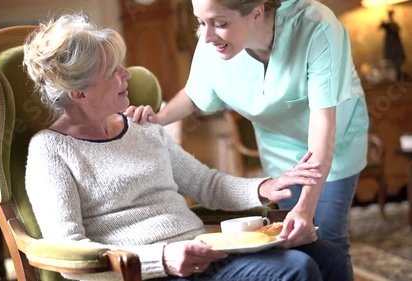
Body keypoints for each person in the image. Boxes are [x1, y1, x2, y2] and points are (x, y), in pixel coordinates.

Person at [23, 13, 350, 281]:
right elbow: (69, 252)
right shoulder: (49, 151)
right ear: (78, 94)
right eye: (112, 72)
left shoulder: (141, 128)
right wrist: (162, 258)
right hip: (147, 273)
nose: (127, 75)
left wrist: (266, 187)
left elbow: (207, 185)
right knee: (296, 270)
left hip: (203, 254)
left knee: (326, 255)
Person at [125, 0, 369, 279]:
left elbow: (323, 128)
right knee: (300, 242)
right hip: (280, 150)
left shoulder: (317, 27)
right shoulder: (213, 38)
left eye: (221, 24)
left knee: (327, 234)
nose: (206, 37)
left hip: (334, 144)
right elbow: (194, 94)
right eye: (200, 22)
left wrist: (305, 209)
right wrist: (156, 119)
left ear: (256, 13)